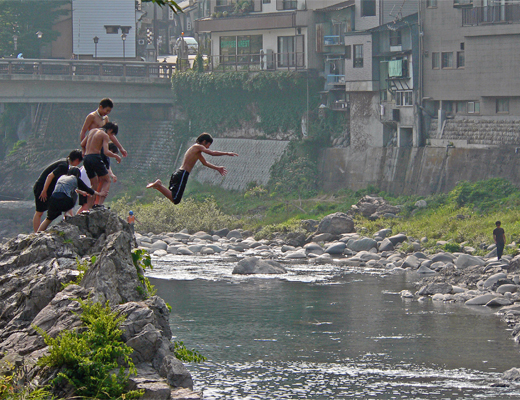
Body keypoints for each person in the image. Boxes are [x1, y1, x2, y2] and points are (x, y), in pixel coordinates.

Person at [146, 133, 238, 204]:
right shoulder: (198, 146)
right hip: (183, 174)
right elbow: (212, 153)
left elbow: (205, 163)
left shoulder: (196, 151)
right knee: (175, 199)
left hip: (178, 173)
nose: (207, 147)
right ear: (204, 141)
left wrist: (217, 168)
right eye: (208, 145)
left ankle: (158, 186)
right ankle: (158, 185)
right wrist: (227, 153)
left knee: (174, 199)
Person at [37, 168, 106, 232]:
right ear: (77, 174)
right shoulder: (75, 178)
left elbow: (67, 188)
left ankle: (37, 233)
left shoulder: (62, 177)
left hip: (53, 200)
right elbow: (89, 190)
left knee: (49, 219)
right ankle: (67, 214)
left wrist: (81, 192)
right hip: (65, 201)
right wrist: (100, 194)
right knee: (74, 194)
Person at [32, 149, 83, 232]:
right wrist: (44, 191)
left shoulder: (66, 164)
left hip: (50, 189)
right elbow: (50, 176)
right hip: (41, 187)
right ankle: (36, 234)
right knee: (39, 212)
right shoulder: (64, 165)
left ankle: (40, 231)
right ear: (77, 160)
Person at [81, 122, 122, 209]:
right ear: (110, 130)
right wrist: (116, 156)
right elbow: (106, 152)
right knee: (107, 180)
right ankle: (99, 204)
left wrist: (85, 151)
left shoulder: (91, 131)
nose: (111, 136)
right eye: (112, 134)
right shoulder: (105, 135)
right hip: (95, 157)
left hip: (86, 158)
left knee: (94, 184)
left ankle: (89, 207)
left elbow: (82, 144)